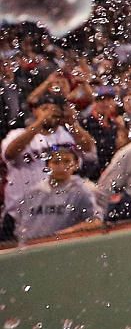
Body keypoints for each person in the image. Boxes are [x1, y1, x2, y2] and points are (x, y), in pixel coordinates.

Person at [3, 90, 96, 241]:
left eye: (54, 109)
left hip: (60, 213)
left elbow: (89, 149)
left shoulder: (67, 134)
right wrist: (39, 123)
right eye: (45, 108)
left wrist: (72, 123)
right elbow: (9, 154)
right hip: (18, 212)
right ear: (34, 111)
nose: (50, 113)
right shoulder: (17, 134)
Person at [10, 144, 101, 243]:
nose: (61, 167)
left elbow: (96, 222)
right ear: (47, 166)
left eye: (67, 161)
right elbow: (20, 226)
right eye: (56, 162)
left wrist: (68, 233)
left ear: (76, 165)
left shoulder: (82, 191)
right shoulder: (33, 193)